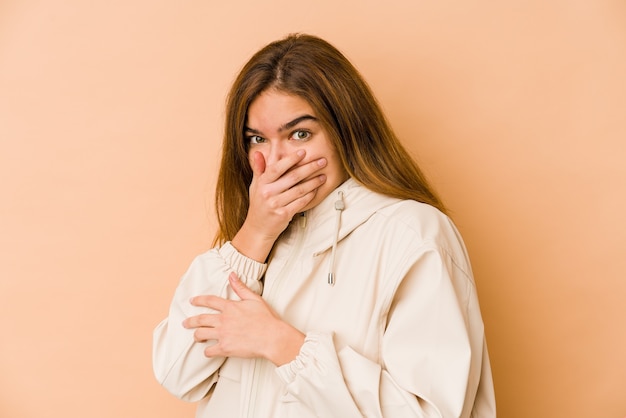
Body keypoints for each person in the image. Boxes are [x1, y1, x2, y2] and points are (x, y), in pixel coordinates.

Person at [152, 33, 496, 417]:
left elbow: (432, 411)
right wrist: (254, 235)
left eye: (300, 134)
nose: (278, 159)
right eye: (257, 139)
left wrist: (285, 346)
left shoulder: (411, 234)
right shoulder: (255, 242)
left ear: (345, 132)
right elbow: (176, 372)